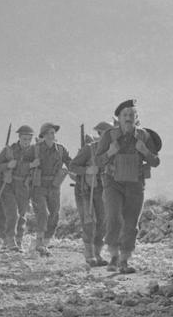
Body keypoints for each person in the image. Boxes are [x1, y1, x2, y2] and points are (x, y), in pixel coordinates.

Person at [94, 99, 161, 273]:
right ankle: (114, 255)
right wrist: (110, 151)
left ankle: (124, 260)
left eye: (132, 115)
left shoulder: (144, 136)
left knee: (131, 223)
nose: (128, 118)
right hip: (112, 182)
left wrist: (145, 151)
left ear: (137, 118)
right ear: (118, 118)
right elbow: (98, 161)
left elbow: (156, 161)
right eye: (125, 115)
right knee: (114, 217)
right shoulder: (109, 136)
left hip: (135, 184)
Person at [69, 121, 112, 266]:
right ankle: (89, 254)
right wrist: (87, 170)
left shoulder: (113, 151)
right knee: (89, 221)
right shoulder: (89, 149)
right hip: (85, 190)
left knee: (103, 222)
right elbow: (72, 166)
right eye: (104, 134)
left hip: (103, 191)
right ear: (99, 134)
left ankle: (98, 253)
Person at [0, 125, 36, 251]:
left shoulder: (34, 151)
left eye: (28, 139)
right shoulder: (9, 150)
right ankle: (10, 239)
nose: (26, 142)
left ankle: (19, 240)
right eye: (24, 139)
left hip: (24, 186)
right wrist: (7, 165)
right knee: (12, 213)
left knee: (22, 215)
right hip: (8, 185)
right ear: (19, 138)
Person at [30, 122, 71, 256]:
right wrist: (31, 165)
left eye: (53, 133)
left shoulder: (60, 149)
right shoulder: (35, 149)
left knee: (54, 215)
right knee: (43, 213)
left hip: (54, 185)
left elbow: (70, 162)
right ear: (43, 135)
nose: (51, 135)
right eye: (48, 133)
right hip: (39, 186)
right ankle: (39, 241)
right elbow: (23, 163)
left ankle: (45, 244)